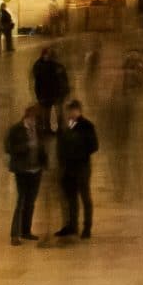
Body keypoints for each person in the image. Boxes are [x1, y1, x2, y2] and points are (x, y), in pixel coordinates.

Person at [54, 98, 100, 239]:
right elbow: (61, 145)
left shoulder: (87, 126)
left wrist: (79, 150)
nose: (70, 113)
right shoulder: (67, 126)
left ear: (78, 111)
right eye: (69, 111)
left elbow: (94, 146)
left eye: (72, 111)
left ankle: (87, 228)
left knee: (85, 197)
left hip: (82, 167)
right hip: (69, 168)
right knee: (71, 198)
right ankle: (72, 226)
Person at [5, 104, 48, 244]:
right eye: (33, 119)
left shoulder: (39, 129)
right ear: (27, 116)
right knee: (21, 201)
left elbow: (42, 147)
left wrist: (44, 162)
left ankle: (26, 231)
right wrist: (26, 146)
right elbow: (8, 148)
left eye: (36, 120)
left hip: (36, 170)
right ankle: (15, 234)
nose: (34, 122)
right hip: (22, 170)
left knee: (30, 202)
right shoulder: (15, 129)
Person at [32, 44, 70, 129]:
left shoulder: (57, 66)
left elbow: (63, 79)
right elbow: (38, 81)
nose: (48, 56)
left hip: (56, 93)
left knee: (59, 112)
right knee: (46, 113)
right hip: (46, 94)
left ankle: (59, 129)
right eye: (47, 54)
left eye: (50, 55)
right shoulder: (39, 66)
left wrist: (65, 91)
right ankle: (48, 129)